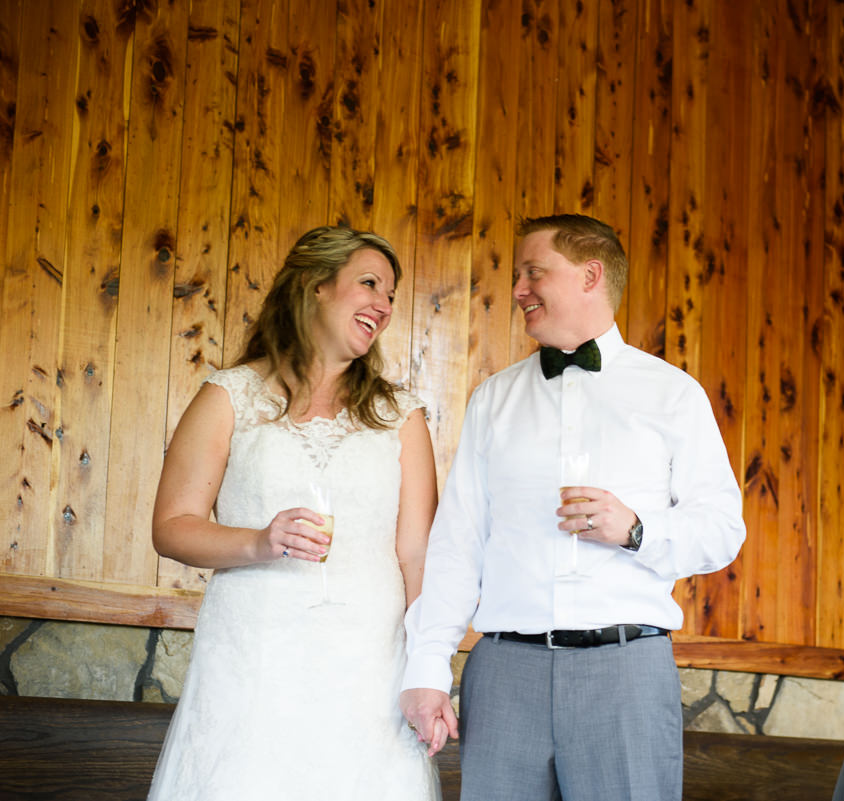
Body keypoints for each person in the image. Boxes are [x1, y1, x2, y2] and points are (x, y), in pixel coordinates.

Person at [400, 214, 746, 800]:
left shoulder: (673, 394)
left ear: (590, 275)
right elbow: (457, 543)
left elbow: (722, 531)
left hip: (626, 671)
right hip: (505, 673)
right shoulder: (493, 400)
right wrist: (427, 668)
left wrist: (636, 529)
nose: (517, 290)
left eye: (534, 272)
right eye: (517, 275)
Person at [148, 226, 443, 800]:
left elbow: (417, 552)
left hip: (368, 664)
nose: (383, 305)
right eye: (369, 283)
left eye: (390, 294)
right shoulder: (230, 395)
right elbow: (172, 527)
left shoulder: (400, 415)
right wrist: (259, 541)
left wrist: (427, 669)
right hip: (255, 656)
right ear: (314, 286)